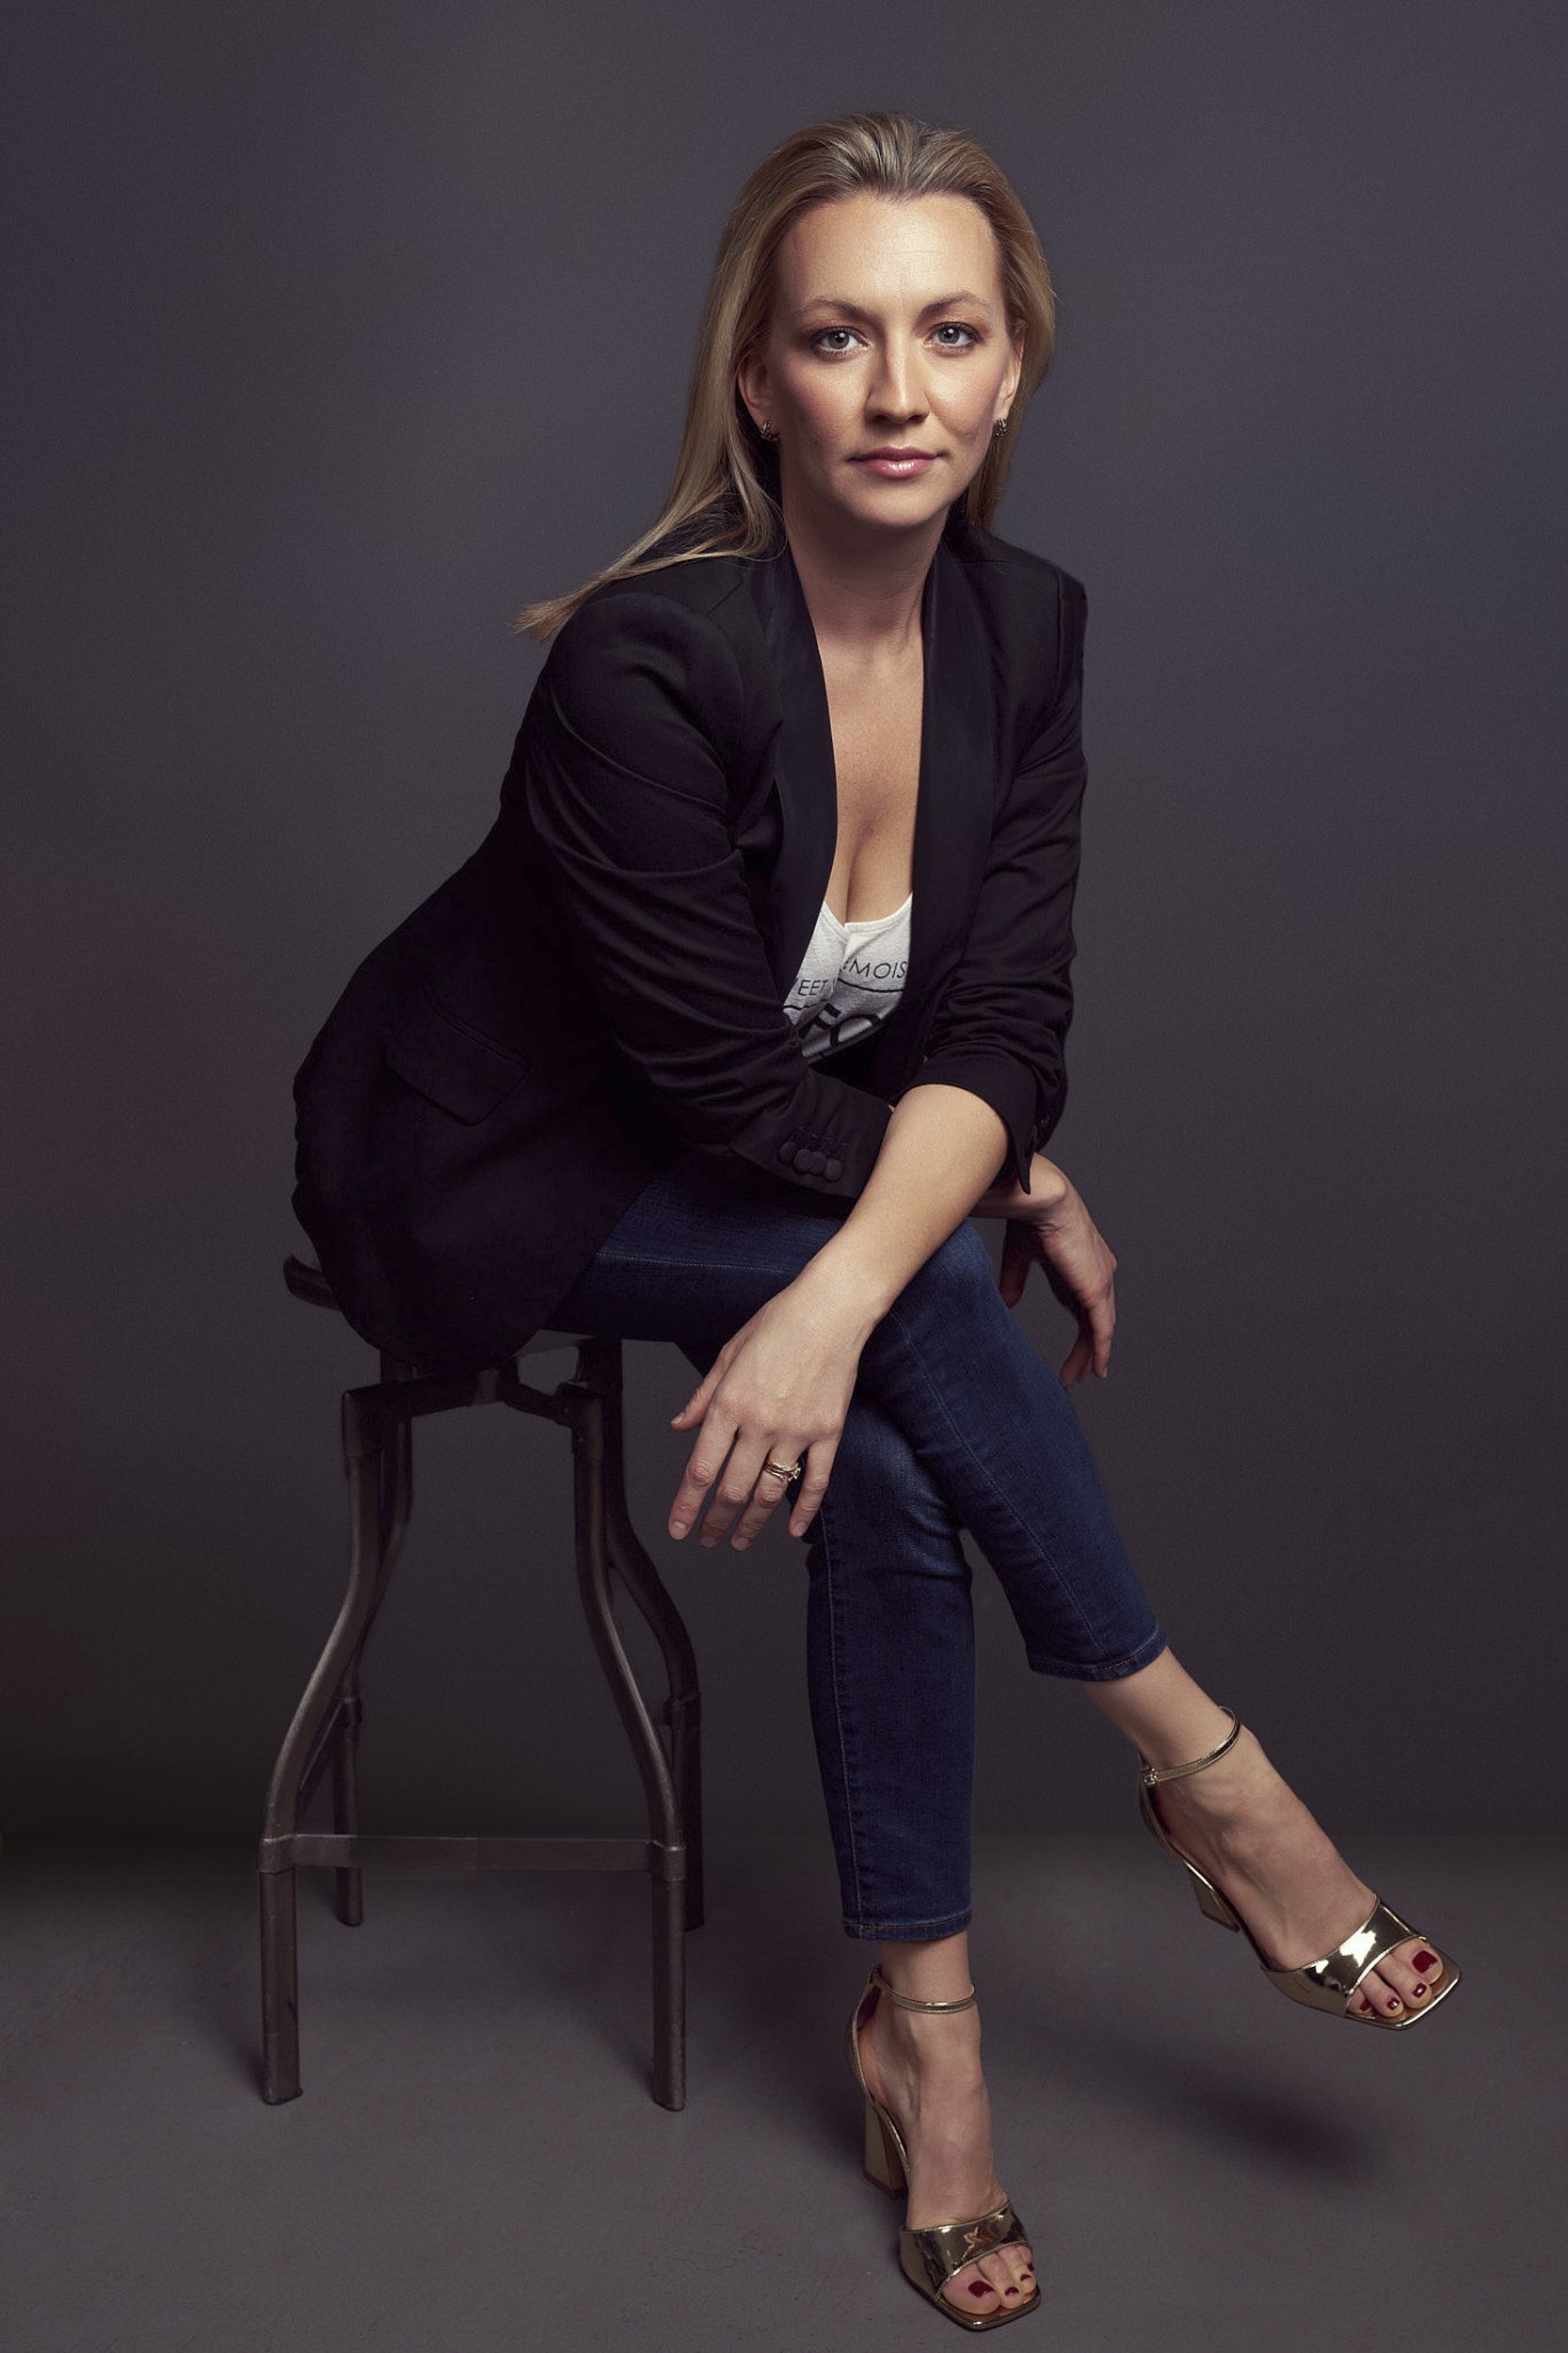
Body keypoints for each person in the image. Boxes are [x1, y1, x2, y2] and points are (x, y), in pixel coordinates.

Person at [290, 109, 1460, 2334]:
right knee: (917, 1283)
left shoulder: (1030, 626)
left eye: (948, 331)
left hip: (771, 1163)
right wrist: (949, 1199)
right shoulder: (644, 664)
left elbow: (1010, 1006)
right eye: (837, 336)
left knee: (904, 1374)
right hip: (493, 1160)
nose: (896, 390)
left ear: (1012, 370)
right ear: (758, 379)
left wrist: (924, 1210)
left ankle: (928, 2034)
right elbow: (720, 1084)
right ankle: (1213, 1776)